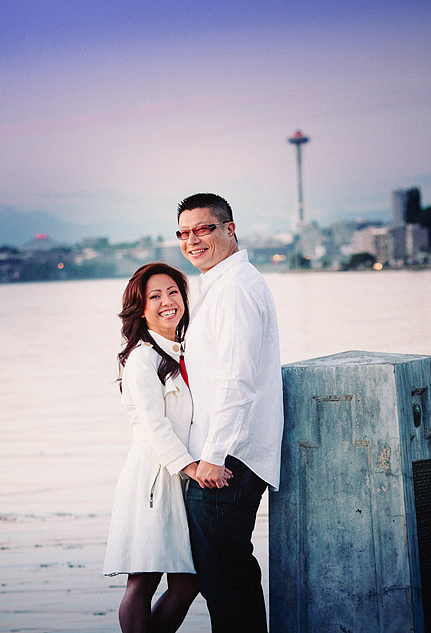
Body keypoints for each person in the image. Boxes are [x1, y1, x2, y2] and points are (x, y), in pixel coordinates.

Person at [176, 193, 284, 633]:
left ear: (229, 229)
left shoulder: (236, 288)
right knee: (227, 576)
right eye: (184, 233)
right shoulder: (221, 284)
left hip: (228, 461)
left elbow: (237, 381)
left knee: (226, 580)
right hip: (225, 456)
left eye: (203, 228)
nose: (192, 240)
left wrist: (213, 458)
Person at [103, 262, 231, 633]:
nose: (166, 302)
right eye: (154, 296)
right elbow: (154, 426)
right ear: (140, 308)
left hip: (180, 476)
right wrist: (195, 468)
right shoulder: (142, 357)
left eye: (173, 292)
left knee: (188, 582)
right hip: (154, 477)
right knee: (143, 580)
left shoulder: (183, 352)